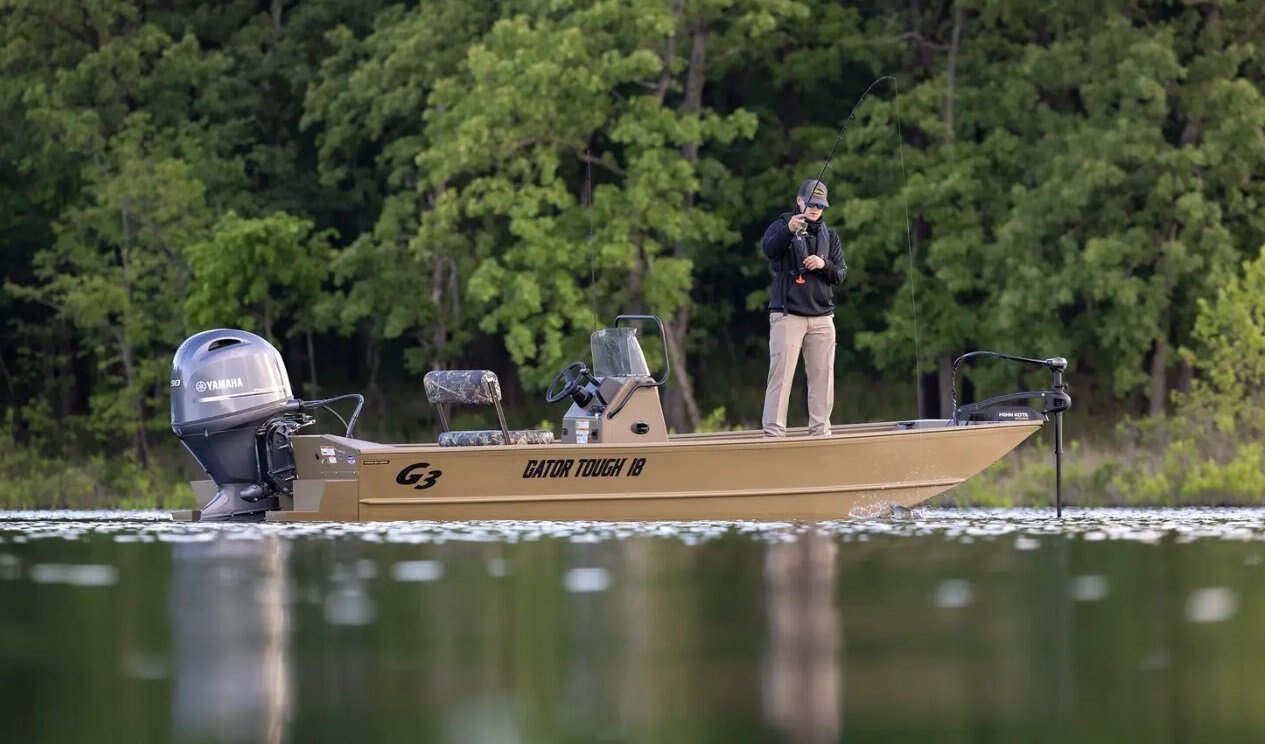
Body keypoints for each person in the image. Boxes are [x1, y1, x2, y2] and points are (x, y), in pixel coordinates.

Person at [760, 178, 847, 437]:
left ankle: (820, 433)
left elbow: (840, 273)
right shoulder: (781, 226)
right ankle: (773, 435)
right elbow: (769, 250)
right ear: (799, 201)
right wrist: (789, 230)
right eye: (811, 204)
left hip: (822, 317)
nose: (815, 209)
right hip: (788, 315)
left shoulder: (830, 236)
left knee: (823, 379)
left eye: (820, 206)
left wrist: (823, 265)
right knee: (780, 377)